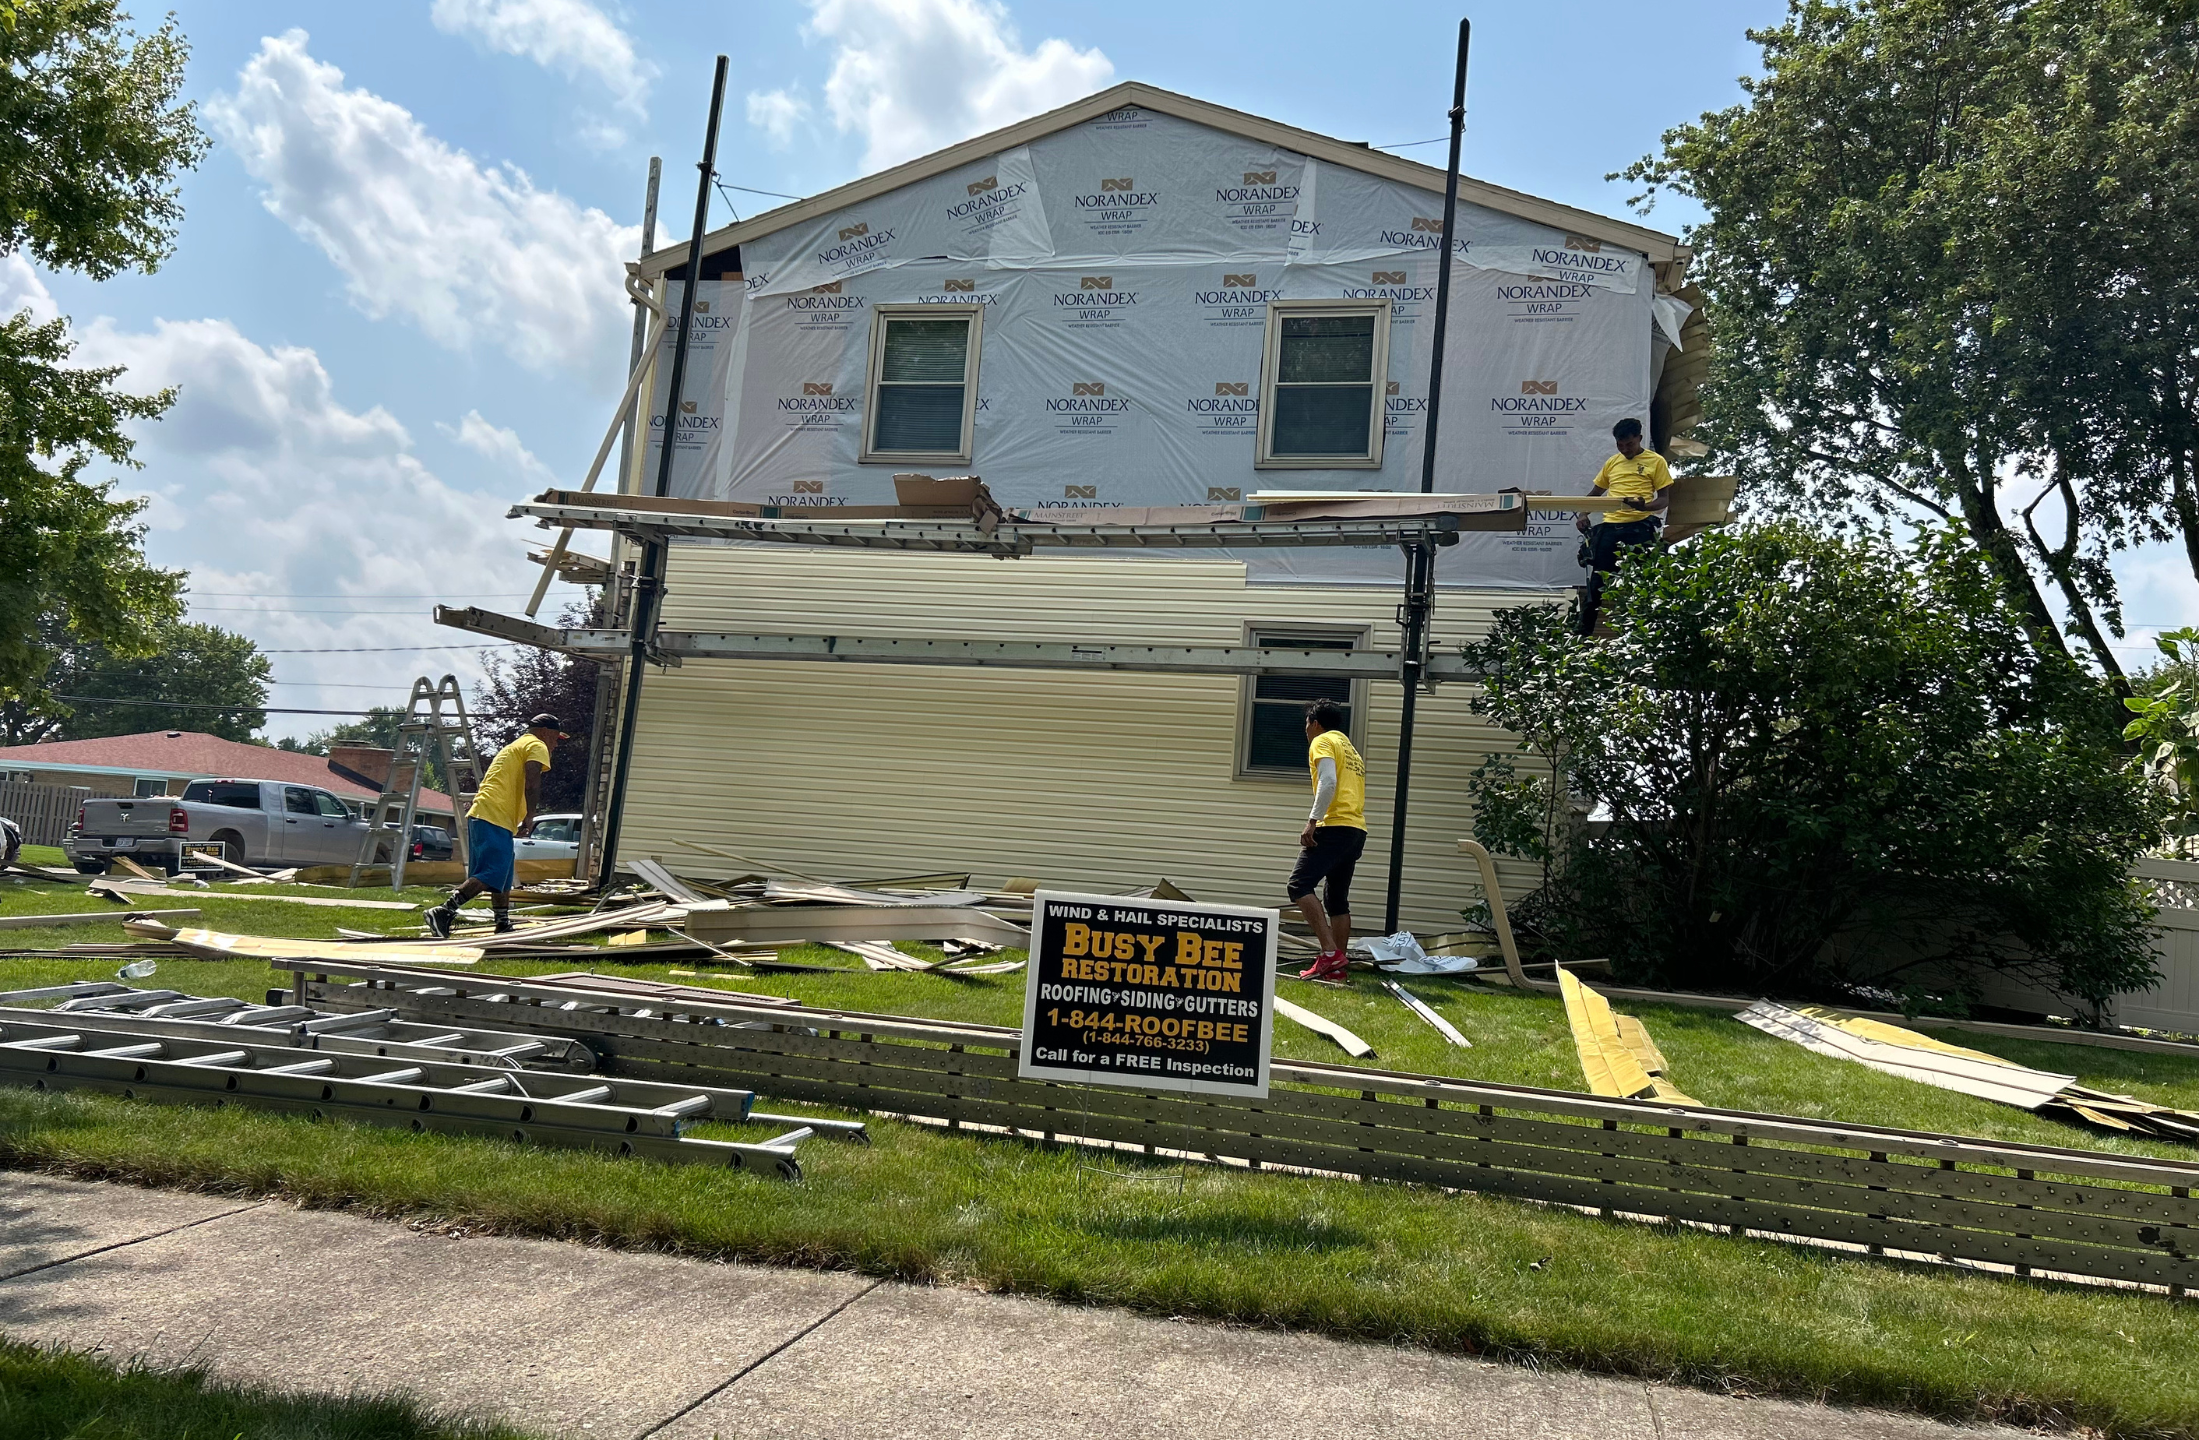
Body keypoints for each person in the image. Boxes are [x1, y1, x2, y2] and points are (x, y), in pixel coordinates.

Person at [423, 714, 566, 938]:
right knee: (492, 872)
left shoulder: (518, 744)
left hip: (490, 815)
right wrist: (530, 814)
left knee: (503, 877)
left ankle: (502, 924)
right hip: (493, 816)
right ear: (546, 732)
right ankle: (443, 910)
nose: (556, 744)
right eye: (556, 738)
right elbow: (532, 781)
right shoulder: (536, 745)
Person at [1290, 698, 1367, 983]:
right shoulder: (1350, 749)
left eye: (1307, 723)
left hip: (1333, 826)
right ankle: (1336, 970)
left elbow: (1328, 781)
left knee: (1298, 884)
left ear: (1315, 722)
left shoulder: (1322, 742)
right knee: (1336, 899)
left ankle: (1330, 954)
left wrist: (1312, 821)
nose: (1305, 729)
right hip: (1356, 829)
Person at [1575, 416, 1673, 635]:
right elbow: (1595, 495)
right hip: (1610, 530)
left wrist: (1643, 507)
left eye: (1629, 444)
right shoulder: (1612, 462)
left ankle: (1644, 637)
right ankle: (1580, 640)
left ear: (1639, 438)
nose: (1625, 449)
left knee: (1643, 586)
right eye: (1620, 445)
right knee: (1596, 587)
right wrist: (1582, 514)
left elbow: (1664, 499)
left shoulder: (1656, 461)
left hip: (1639, 529)